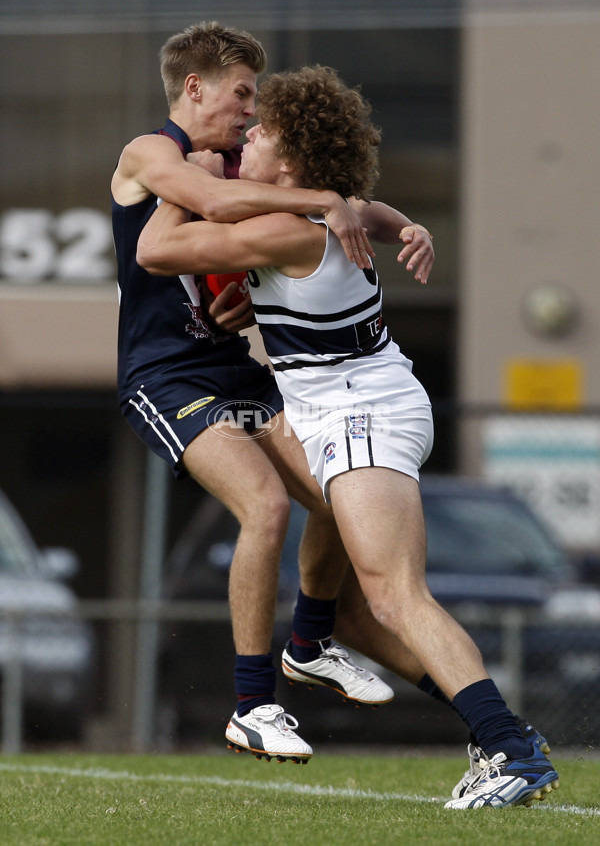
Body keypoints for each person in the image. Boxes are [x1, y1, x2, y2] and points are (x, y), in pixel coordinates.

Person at [137, 64, 560, 809]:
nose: (250, 137)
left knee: (396, 595)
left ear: (294, 163)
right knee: (364, 583)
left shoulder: (278, 226)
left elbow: (155, 252)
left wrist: (185, 176)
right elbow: (370, 208)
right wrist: (404, 224)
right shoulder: (331, 213)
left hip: (361, 413)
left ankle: (511, 749)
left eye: (263, 132)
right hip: (357, 406)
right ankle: (312, 644)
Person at [111, 22, 437, 765]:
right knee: (262, 506)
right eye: (241, 93)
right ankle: (253, 706)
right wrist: (329, 199)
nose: (250, 112)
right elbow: (213, 207)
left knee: (330, 496)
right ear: (195, 88)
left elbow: (345, 212)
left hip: (232, 363)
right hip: (166, 374)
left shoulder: (241, 161)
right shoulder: (153, 153)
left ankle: (310, 641)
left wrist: (404, 223)